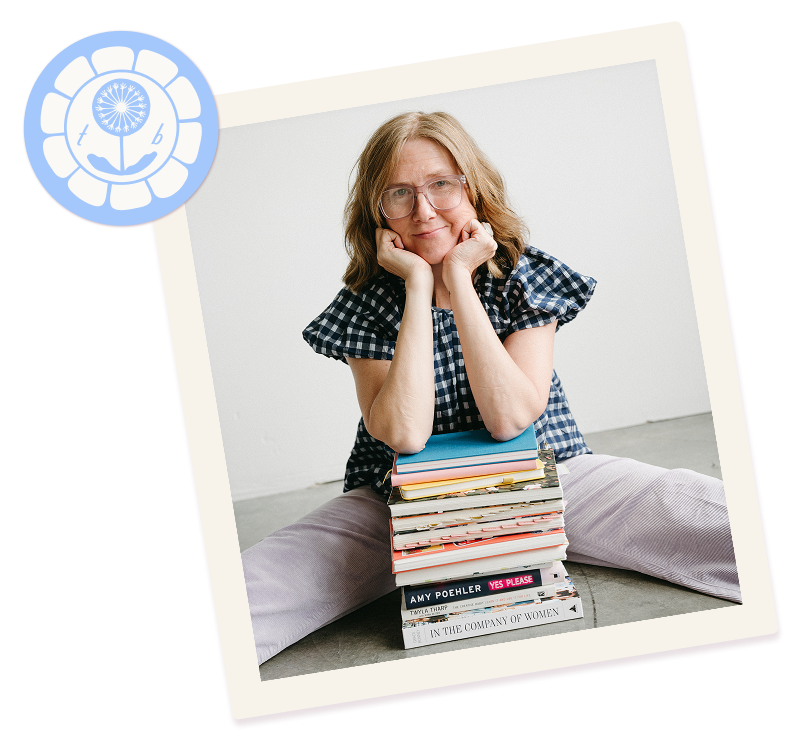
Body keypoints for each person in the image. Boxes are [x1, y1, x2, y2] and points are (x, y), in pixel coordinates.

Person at [241, 111, 741, 665]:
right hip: (401, 502)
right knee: (248, 595)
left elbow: (509, 419)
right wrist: (417, 289)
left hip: (548, 475)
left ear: (473, 188)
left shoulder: (525, 276)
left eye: (441, 185)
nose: (424, 210)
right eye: (399, 194)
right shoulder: (365, 303)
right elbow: (404, 434)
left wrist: (458, 276)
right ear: (377, 213)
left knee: (718, 518)